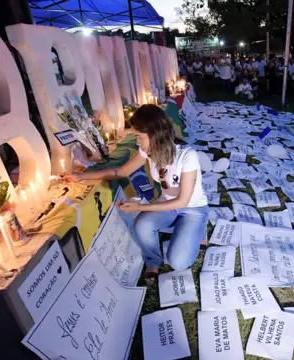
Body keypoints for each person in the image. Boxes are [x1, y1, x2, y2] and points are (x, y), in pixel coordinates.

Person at [65, 105, 208, 282]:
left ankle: (199, 227)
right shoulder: (147, 151)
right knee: (142, 224)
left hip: (192, 208)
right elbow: (121, 172)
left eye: (139, 137)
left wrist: (140, 207)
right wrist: (81, 176)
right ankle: (153, 260)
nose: (137, 142)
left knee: (178, 262)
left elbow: (182, 201)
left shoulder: (187, 155)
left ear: (155, 134)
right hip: (167, 204)